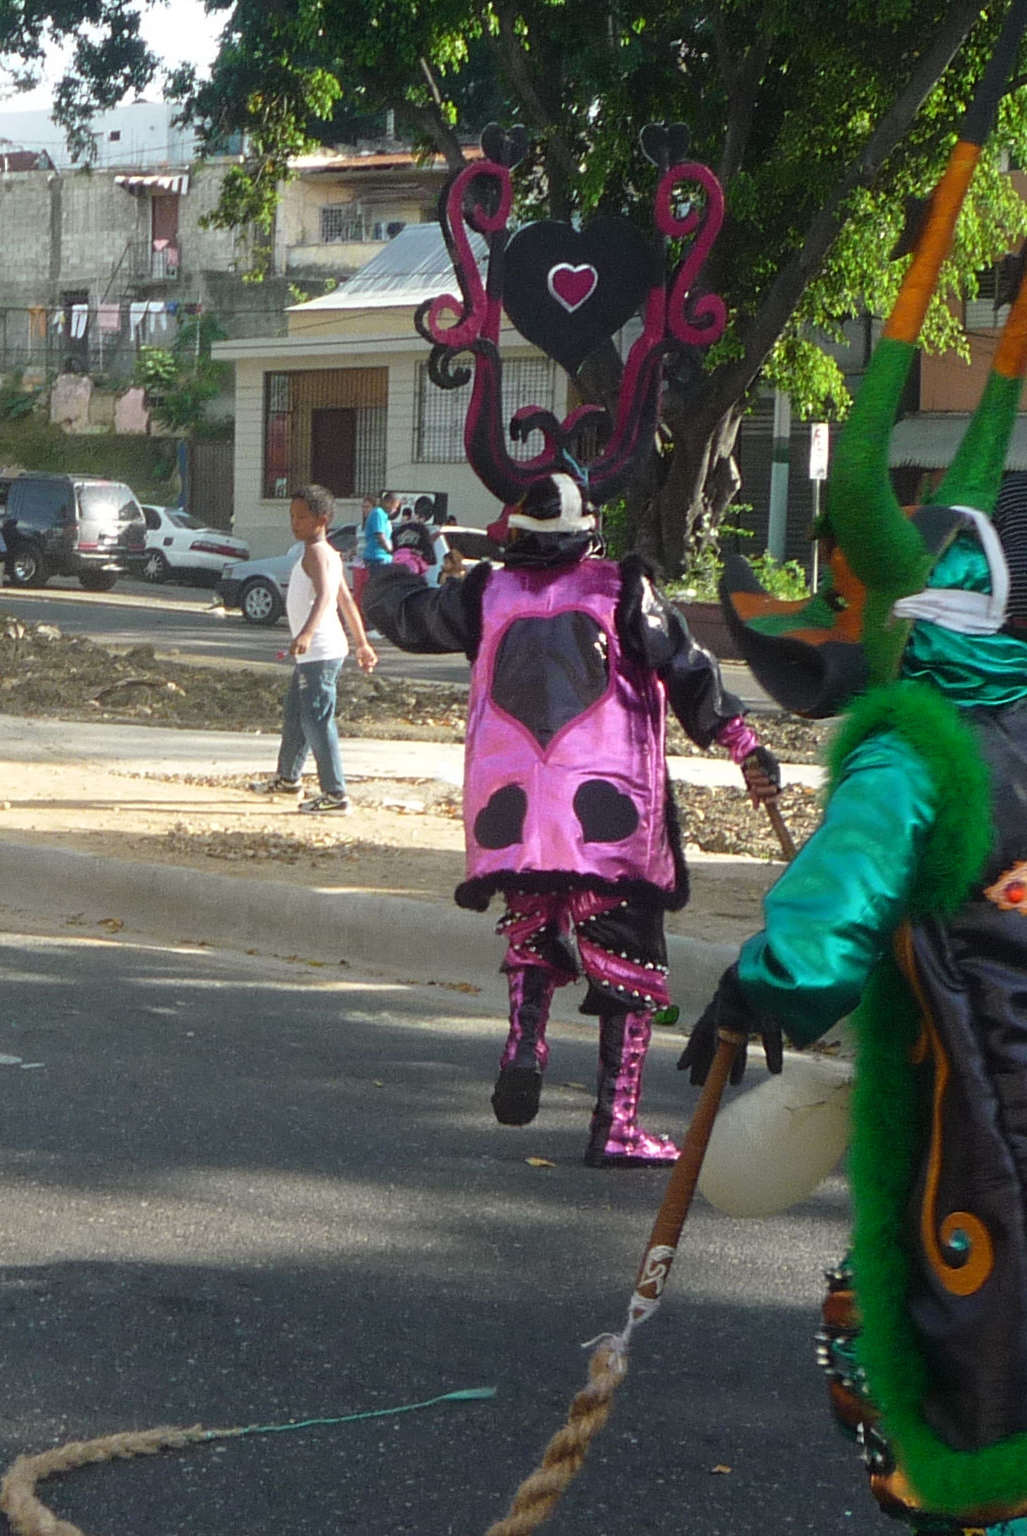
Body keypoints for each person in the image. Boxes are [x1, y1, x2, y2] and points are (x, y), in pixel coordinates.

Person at [681, 77, 1027, 1532]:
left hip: (991, 1081)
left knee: (923, 1333)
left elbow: (854, 868)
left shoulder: (928, 732)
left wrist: (771, 982)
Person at [363, 127, 774, 1169]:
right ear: (584, 531)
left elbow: (410, 620)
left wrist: (390, 566)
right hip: (610, 821)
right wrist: (745, 752)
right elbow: (687, 674)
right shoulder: (619, 587)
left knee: (535, 941)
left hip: (517, 817)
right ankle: (615, 1121)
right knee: (627, 964)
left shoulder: (489, 590)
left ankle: (520, 1048)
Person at [248, 485, 378, 813]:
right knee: (295, 714)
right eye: (292, 516)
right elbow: (346, 601)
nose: (294, 522)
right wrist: (361, 643)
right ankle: (288, 779)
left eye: (302, 517)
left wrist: (305, 633)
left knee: (317, 721)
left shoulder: (318, 553)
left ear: (321, 520)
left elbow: (324, 598)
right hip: (316, 653)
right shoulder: (329, 553)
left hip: (319, 651)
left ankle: (336, 794)